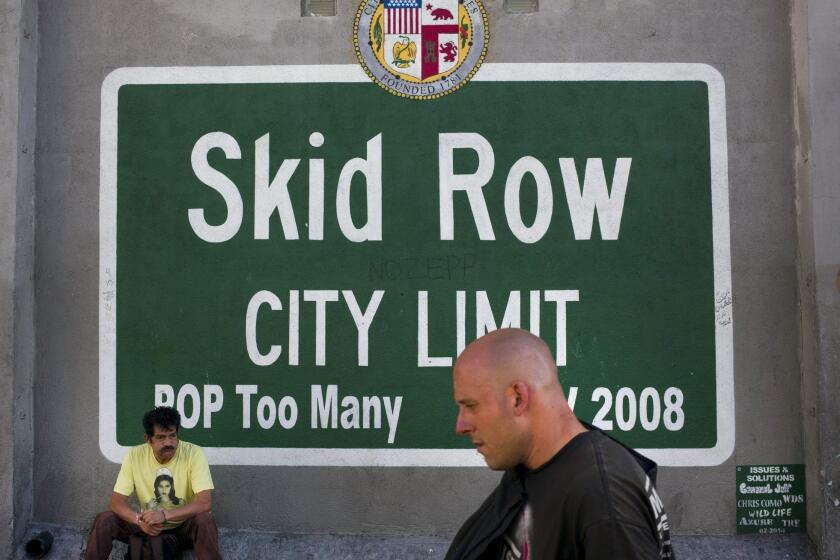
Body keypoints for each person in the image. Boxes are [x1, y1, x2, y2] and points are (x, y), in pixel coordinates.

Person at [445, 328, 674, 560]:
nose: (460, 426)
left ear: (517, 398)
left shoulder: (603, 499)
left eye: (471, 406)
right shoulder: (533, 466)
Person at [84, 406, 223, 559]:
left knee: (205, 519)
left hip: (182, 527)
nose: (168, 442)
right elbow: (116, 502)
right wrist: (139, 521)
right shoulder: (135, 455)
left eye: (172, 436)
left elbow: (204, 503)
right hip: (148, 526)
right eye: (161, 437)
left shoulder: (194, 453)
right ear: (148, 439)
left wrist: (165, 515)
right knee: (105, 520)